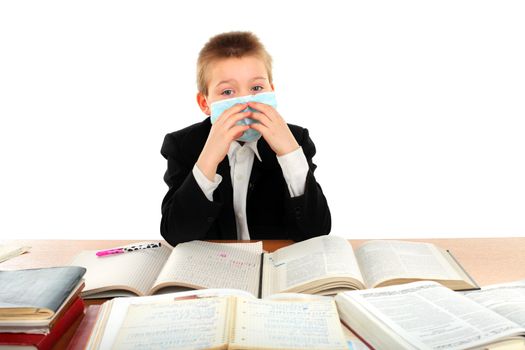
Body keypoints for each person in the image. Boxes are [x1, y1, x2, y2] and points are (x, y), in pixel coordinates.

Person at [160, 31, 331, 246]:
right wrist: (208, 160)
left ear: (272, 91)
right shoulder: (183, 145)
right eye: (228, 91)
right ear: (205, 103)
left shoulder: (296, 139)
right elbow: (176, 234)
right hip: (214, 272)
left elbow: (317, 231)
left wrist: (289, 153)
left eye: (257, 88)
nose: (245, 101)